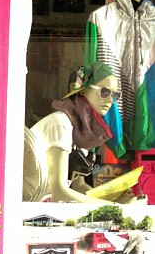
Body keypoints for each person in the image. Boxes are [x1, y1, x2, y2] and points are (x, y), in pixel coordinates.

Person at [28, 62, 146, 205]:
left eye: (115, 95)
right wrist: (119, 208)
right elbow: (59, 192)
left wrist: (117, 201)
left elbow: (78, 186)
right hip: (30, 206)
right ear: (83, 91)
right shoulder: (60, 123)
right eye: (105, 92)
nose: (110, 100)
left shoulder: (83, 131)